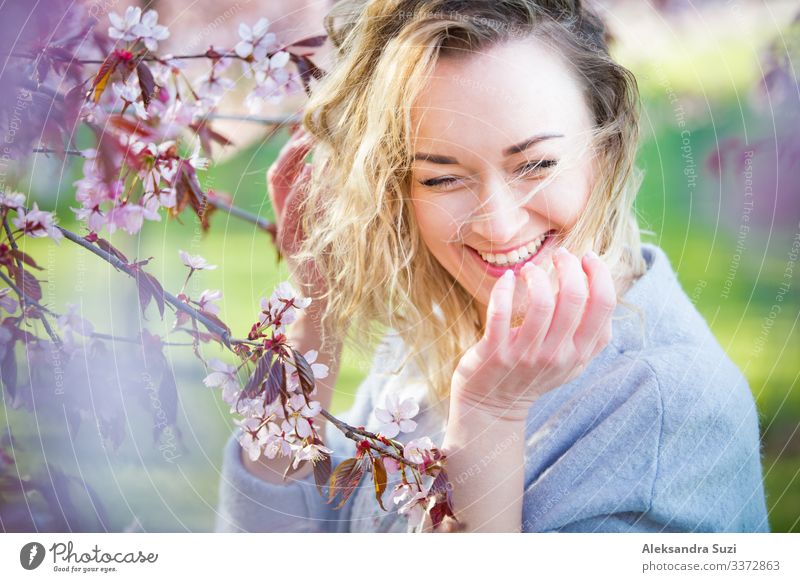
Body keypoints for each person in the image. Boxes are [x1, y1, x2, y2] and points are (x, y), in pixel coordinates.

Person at [214, 0, 770, 533]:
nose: (498, 227)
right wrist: (318, 307)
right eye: (440, 177)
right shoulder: (433, 328)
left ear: (606, 149)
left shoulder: (672, 411)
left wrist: (491, 416)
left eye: (534, 164)